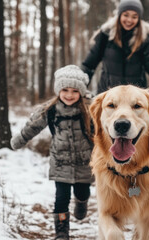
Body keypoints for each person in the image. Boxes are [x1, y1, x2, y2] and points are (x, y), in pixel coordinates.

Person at [10, 65, 94, 240]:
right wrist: (20, 140)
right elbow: (32, 126)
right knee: (61, 198)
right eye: (65, 89)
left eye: (74, 91)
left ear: (81, 92)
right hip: (60, 162)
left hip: (85, 163)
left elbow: (105, 129)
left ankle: (82, 202)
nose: (69, 95)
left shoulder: (89, 109)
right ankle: (62, 232)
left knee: (82, 192)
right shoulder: (50, 110)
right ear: (58, 90)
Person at [81, 0, 149, 103]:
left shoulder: (144, 41)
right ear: (119, 15)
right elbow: (88, 66)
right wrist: (79, 88)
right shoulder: (106, 36)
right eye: (126, 15)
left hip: (134, 101)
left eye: (134, 16)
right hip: (108, 99)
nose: (129, 20)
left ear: (139, 18)